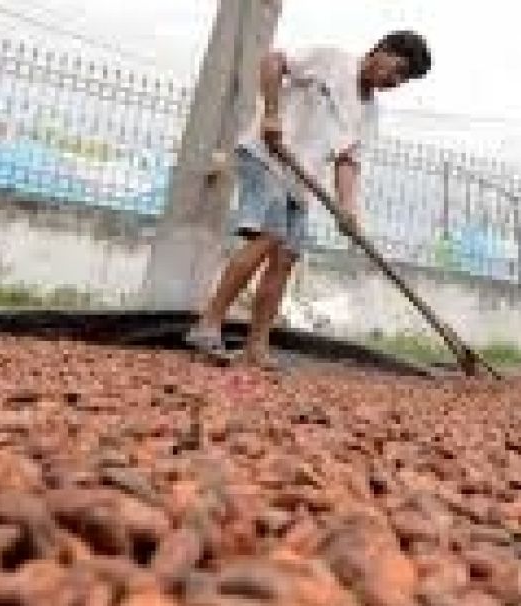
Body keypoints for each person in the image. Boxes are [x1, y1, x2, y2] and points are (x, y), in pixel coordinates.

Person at [184, 32, 433, 370]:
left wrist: (347, 210)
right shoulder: (331, 60)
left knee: (285, 259)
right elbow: (273, 61)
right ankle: (208, 325)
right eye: (398, 69)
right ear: (382, 50)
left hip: (301, 180)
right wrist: (271, 114)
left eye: (404, 79)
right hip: (267, 156)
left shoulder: (369, 114)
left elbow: (348, 163)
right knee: (267, 237)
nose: (395, 81)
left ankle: (256, 347)